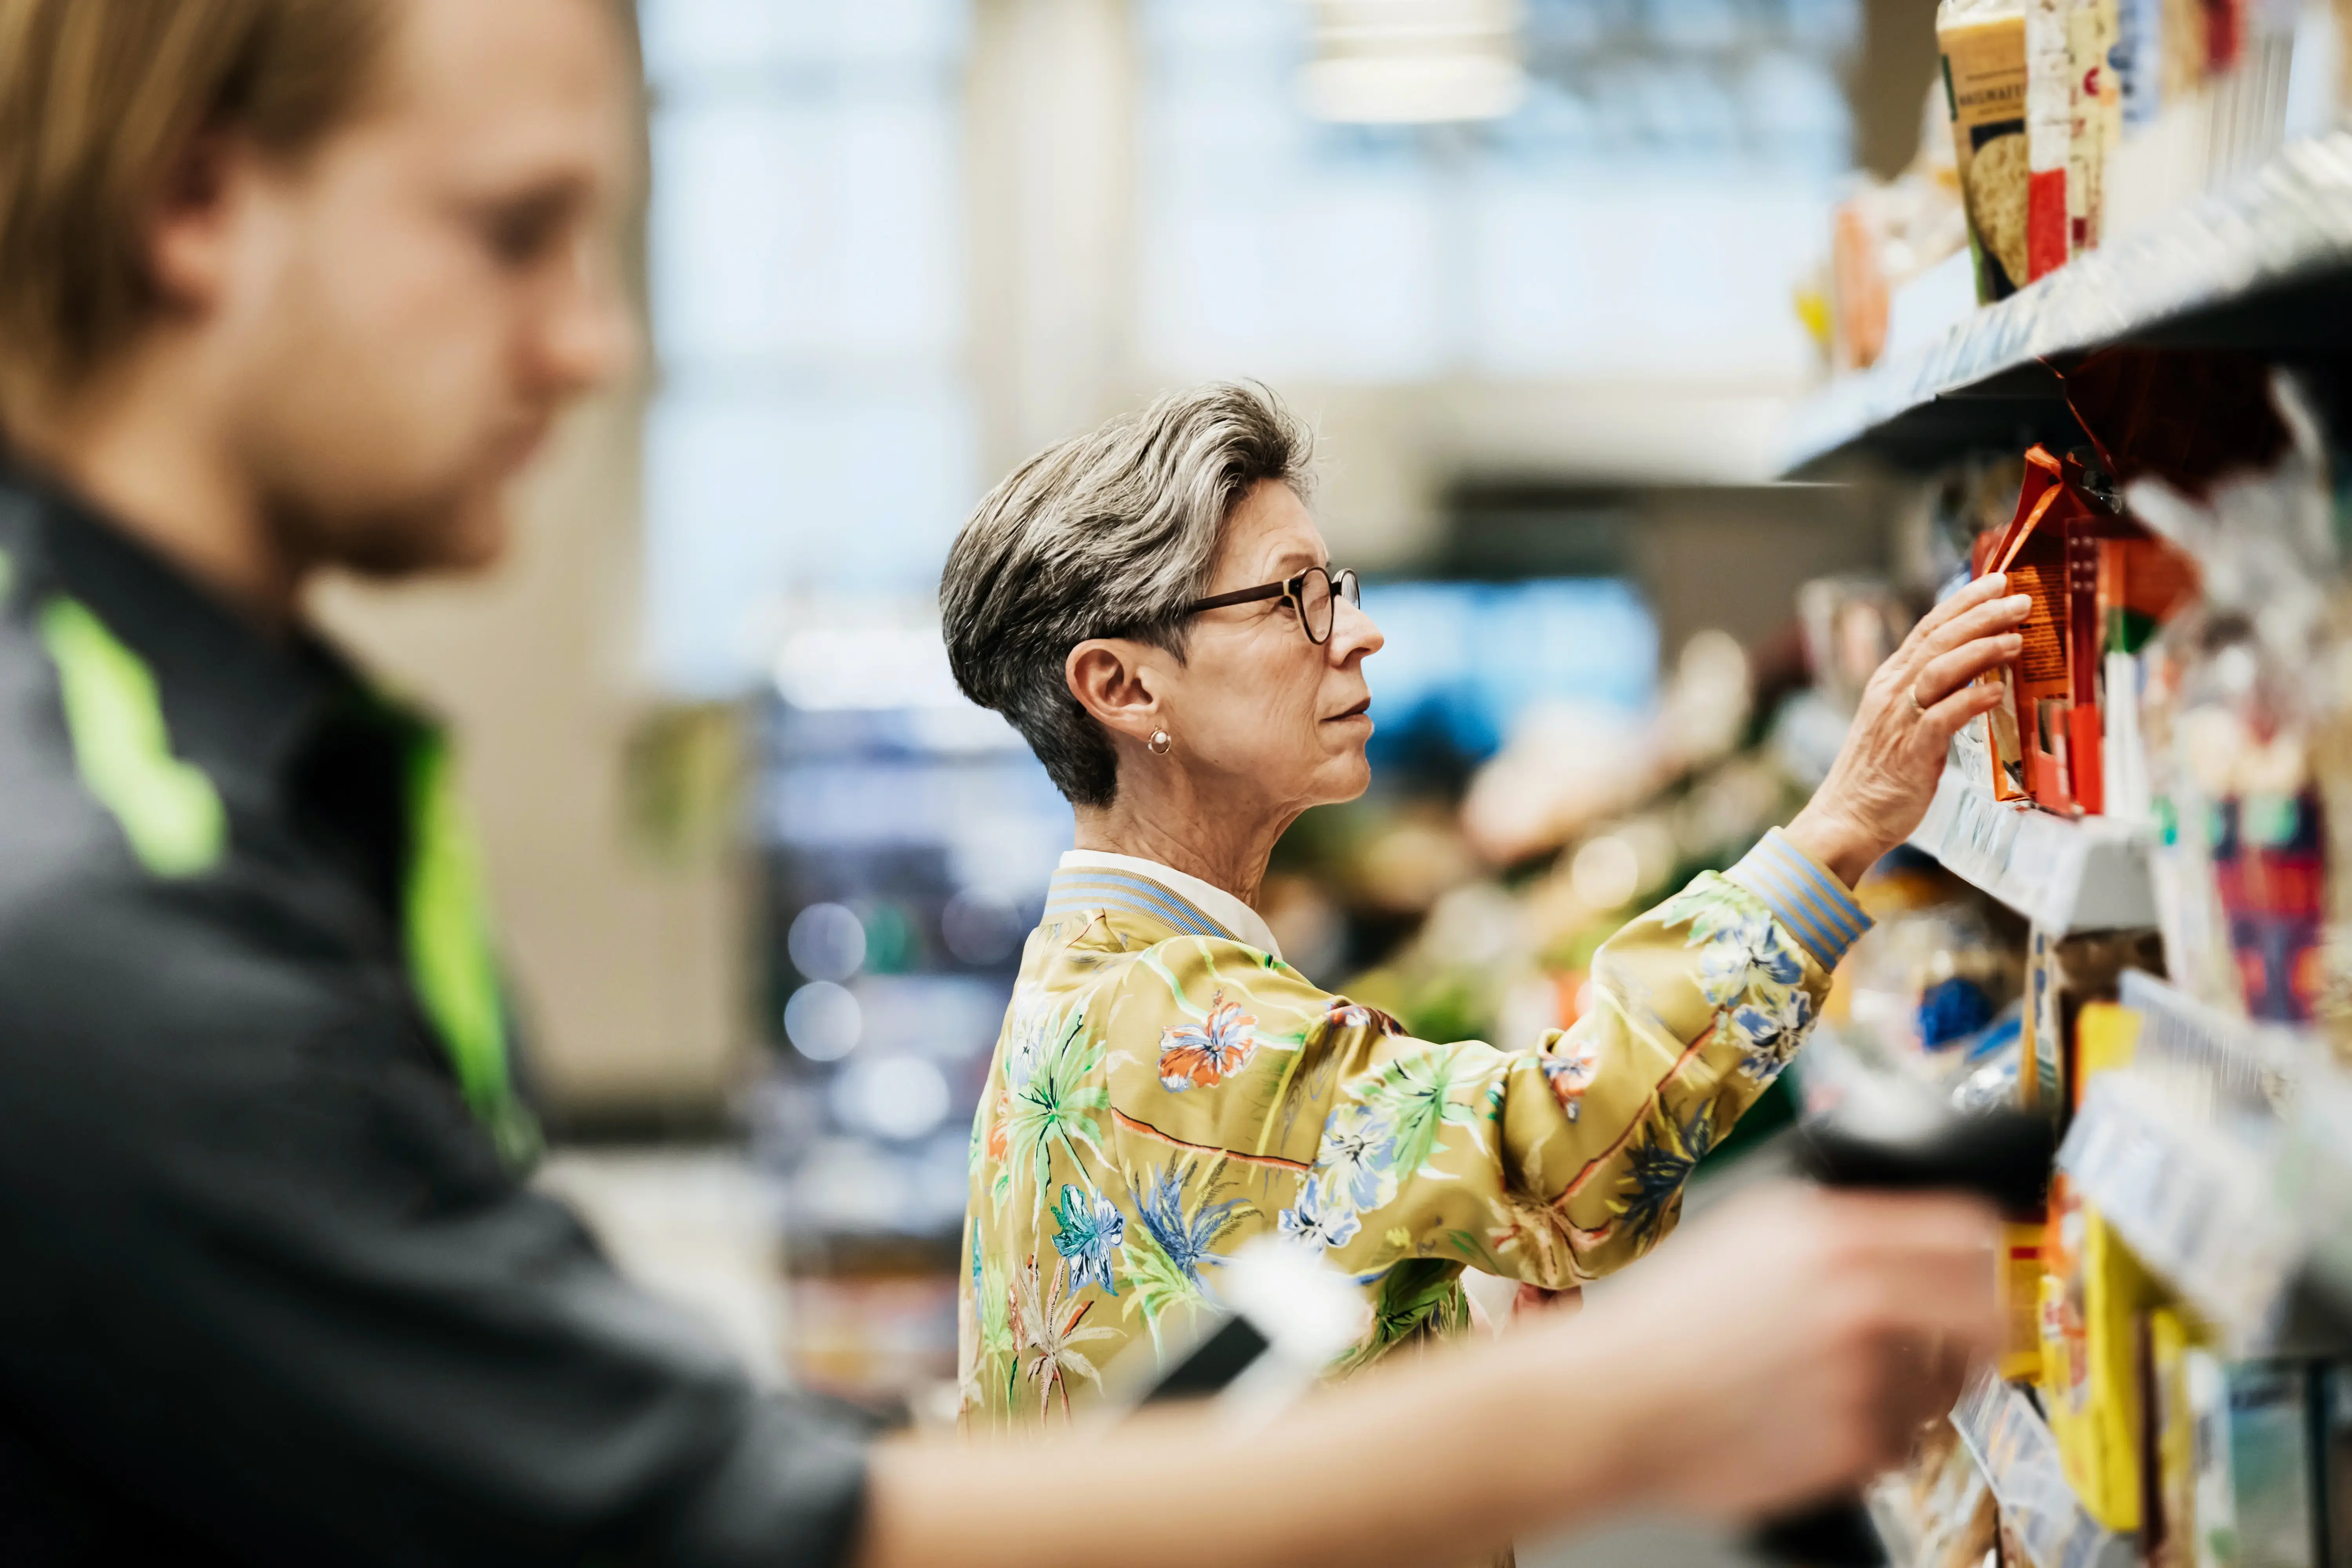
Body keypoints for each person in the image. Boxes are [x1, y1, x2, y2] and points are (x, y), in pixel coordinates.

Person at [0, 0, 2011, 1564]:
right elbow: (705, 1520)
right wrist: (1624, 1396)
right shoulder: (115, 915)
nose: (601, 342)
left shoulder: (292, 794)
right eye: (511, 229)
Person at [940, 385, 2031, 1428]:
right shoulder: (1173, 1022)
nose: (1360, 634)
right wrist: (1842, 824)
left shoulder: (1095, 982)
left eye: (1342, 588)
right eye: (1294, 599)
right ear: (1124, 689)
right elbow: (1558, 1149)